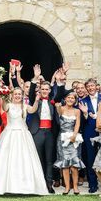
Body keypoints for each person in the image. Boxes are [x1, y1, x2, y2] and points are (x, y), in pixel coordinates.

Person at [0, 87, 49, 195]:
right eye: (15, 94)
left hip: (23, 134)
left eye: (19, 94)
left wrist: (36, 100)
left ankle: (25, 187)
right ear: (12, 95)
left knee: (24, 159)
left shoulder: (25, 106)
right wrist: (3, 96)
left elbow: (33, 110)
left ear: (22, 96)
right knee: (8, 159)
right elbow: (3, 106)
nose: (17, 96)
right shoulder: (9, 106)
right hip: (10, 134)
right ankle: (3, 187)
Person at [27, 65, 63, 193]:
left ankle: (49, 184)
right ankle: (39, 183)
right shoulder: (35, 100)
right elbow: (31, 93)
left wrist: (59, 81)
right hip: (37, 132)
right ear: (40, 89)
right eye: (42, 89)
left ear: (49, 90)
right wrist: (36, 77)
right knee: (38, 159)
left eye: (47, 89)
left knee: (49, 159)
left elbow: (59, 93)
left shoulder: (53, 101)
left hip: (50, 133)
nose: (44, 91)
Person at [54, 90, 84, 195]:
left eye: (73, 98)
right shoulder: (60, 109)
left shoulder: (77, 111)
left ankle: (75, 187)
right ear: (65, 99)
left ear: (75, 100)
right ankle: (67, 187)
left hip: (74, 139)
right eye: (69, 97)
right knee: (65, 165)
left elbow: (77, 124)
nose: (70, 99)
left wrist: (74, 135)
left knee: (74, 165)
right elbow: (56, 100)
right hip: (62, 139)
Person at [79, 79, 101, 193]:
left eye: (92, 85)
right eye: (88, 86)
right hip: (89, 131)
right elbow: (82, 122)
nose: (90, 88)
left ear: (96, 86)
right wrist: (84, 113)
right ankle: (92, 184)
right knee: (90, 158)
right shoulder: (83, 101)